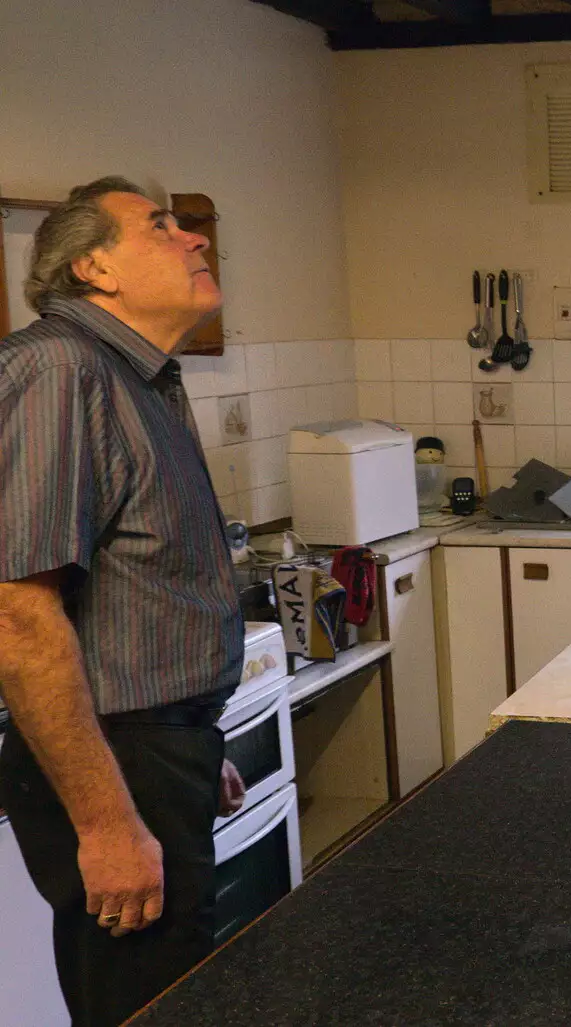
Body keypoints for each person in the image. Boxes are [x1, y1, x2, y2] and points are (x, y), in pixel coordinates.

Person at [0, 177, 248, 1025]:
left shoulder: (138, 377)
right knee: (145, 1003)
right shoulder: (58, 369)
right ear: (93, 267)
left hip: (149, 746)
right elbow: (18, 613)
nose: (195, 240)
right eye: (162, 227)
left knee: (176, 990)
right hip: (117, 759)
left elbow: (133, 589)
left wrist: (183, 732)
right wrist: (108, 816)